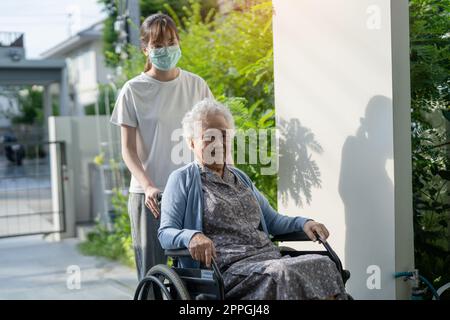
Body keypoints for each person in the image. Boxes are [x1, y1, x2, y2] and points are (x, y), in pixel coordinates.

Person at [158, 98, 348, 299]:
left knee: (325, 263)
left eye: (224, 135)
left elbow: (273, 221)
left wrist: (305, 223)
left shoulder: (239, 177)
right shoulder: (182, 179)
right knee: (283, 274)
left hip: (268, 258)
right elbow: (165, 232)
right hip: (226, 270)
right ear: (191, 142)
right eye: (209, 136)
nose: (219, 142)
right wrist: (191, 236)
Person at [110, 13, 214, 281]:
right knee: (153, 274)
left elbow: (213, 136)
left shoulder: (196, 85)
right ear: (146, 49)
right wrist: (147, 186)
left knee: (196, 275)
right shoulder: (133, 90)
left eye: (171, 41)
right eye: (157, 45)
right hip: (151, 197)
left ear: (178, 42)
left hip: (191, 193)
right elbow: (128, 150)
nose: (166, 49)